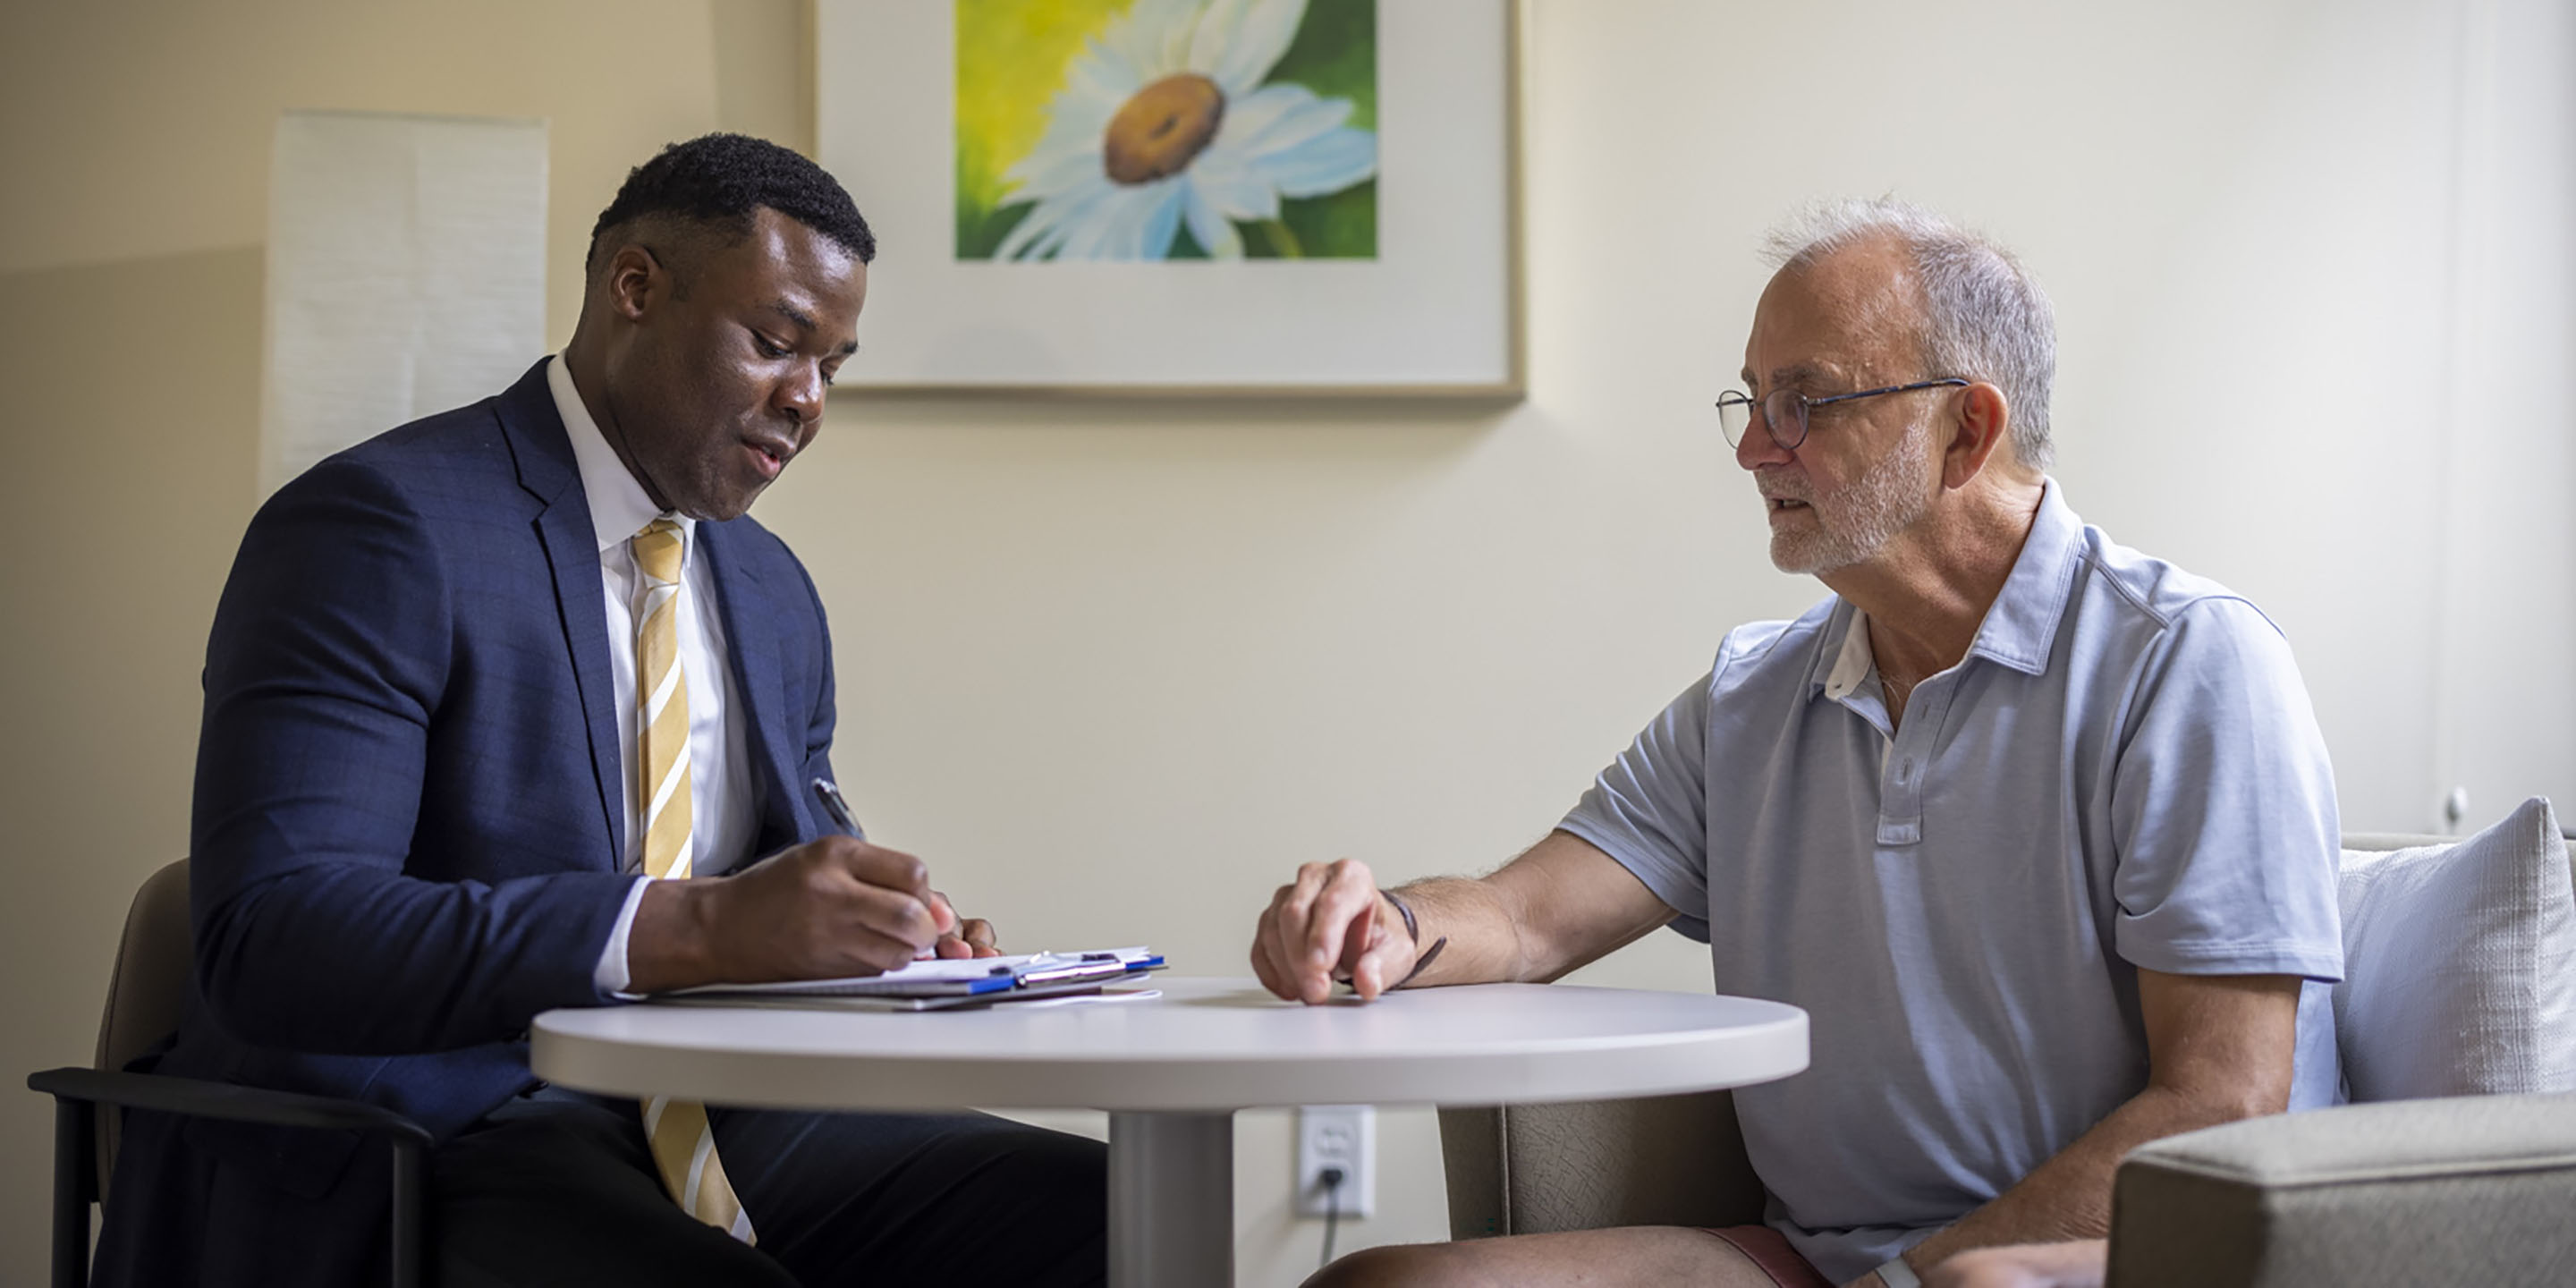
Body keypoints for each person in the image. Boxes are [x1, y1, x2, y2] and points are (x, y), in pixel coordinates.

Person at [1252, 199, 2344, 1288]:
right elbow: (1526, 918)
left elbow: (2221, 1104)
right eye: (1752, 399)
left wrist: (1917, 1279)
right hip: (1824, 1265)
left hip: (2110, 1256)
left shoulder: (2188, 663)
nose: (1750, 448)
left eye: (1804, 402)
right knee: (1386, 1286)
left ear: (1966, 429)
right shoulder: (1754, 695)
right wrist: (1385, 925)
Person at [96, 134, 1106, 1288]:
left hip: (724, 1108)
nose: (808, 400)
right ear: (635, 287)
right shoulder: (378, 528)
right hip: (434, 1121)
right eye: (775, 344)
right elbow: (275, 935)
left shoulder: (771, 592)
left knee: (1106, 1219)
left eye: (832, 365)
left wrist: (889, 942)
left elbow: (784, 891)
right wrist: (701, 928)